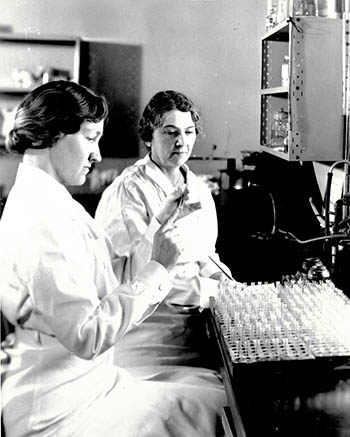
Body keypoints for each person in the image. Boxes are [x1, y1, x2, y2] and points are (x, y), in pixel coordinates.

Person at [0, 81, 226, 437]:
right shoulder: (40, 220)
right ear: (53, 135)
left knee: (212, 392)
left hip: (90, 386)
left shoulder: (50, 202)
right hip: (61, 411)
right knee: (213, 412)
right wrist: (158, 268)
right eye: (91, 138)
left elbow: (109, 275)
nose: (97, 155)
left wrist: (156, 225)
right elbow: (87, 335)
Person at [95, 90, 233, 369]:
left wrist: (225, 280)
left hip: (195, 331)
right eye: (170, 132)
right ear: (149, 137)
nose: (181, 142)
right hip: (150, 342)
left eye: (189, 131)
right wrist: (216, 293)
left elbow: (205, 254)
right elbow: (138, 276)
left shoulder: (197, 188)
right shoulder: (128, 191)